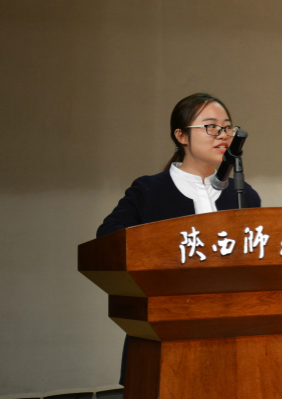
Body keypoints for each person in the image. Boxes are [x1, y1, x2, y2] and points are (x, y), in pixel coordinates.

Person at [96, 93, 261, 385]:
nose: (223, 135)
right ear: (181, 135)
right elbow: (108, 238)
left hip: (232, 334)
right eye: (211, 126)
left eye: (227, 127)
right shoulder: (149, 191)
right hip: (164, 332)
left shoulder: (243, 193)